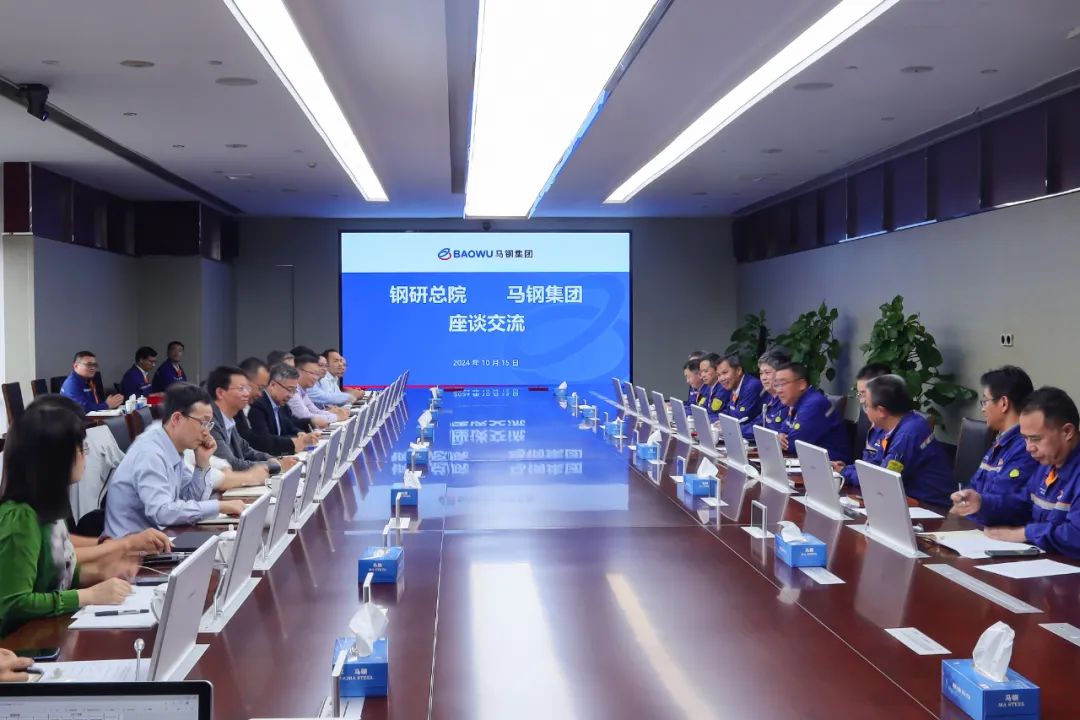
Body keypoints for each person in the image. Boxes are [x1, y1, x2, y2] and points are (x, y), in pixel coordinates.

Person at [0, 402, 136, 636]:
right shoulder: (20, 518)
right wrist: (88, 595)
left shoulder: (48, 510)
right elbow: (13, 603)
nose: (85, 456)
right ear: (56, 459)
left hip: (46, 630)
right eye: (81, 449)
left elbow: (54, 576)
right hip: (19, 642)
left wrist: (100, 573)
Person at [103, 383, 245, 538]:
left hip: (160, 538)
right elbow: (162, 512)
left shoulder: (173, 447)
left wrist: (202, 463)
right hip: (130, 547)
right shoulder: (150, 452)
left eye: (208, 424)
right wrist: (218, 506)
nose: (206, 432)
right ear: (177, 418)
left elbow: (190, 499)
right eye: (203, 423)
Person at [951, 387, 1080, 557]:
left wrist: (1024, 534)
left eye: (1035, 439)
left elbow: (1075, 535)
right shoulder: (1047, 464)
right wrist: (982, 504)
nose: (1028, 448)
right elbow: (1021, 505)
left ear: (1067, 432)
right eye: (1025, 438)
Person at [834, 375, 953, 506]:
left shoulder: (909, 433)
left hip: (931, 507)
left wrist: (844, 472)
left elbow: (882, 480)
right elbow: (874, 465)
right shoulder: (892, 428)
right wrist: (845, 468)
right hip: (905, 500)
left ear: (881, 411)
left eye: (866, 406)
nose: (865, 411)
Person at [951, 367, 1038, 526]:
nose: (983, 408)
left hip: (997, 532)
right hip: (976, 527)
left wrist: (977, 504)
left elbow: (1007, 505)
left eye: (985, 401)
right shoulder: (999, 441)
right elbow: (974, 486)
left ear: (1004, 403)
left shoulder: (1025, 448)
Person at [207, 365, 296, 476]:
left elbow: (246, 450)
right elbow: (231, 464)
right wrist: (275, 465)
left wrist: (274, 459)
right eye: (241, 389)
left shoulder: (229, 418)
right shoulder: (210, 422)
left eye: (247, 388)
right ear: (220, 392)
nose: (247, 393)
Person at [774, 362, 849, 461]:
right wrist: (780, 435)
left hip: (831, 465)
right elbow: (784, 428)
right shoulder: (795, 400)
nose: (779, 390)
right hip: (808, 461)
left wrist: (781, 439)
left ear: (801, 384)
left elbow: (793, 445)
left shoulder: (814, 404)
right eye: (776, 385)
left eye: (783, 384)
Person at [245, 363, 319, 455]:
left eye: (294, 391)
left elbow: (290, 427)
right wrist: (293, 442)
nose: (291, 395)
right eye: (289, 389)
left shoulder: (282, 404)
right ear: (272, 385)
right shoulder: (258, 405)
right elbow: (263, 441)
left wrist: (300, 434)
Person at [289, 355, 349, 428]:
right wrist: (337, 417)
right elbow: (307, 417)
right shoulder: (292, 391)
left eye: (317, 374)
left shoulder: (302, 390)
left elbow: (315, 411)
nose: (316, 377)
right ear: (298, 371)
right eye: (312, 373)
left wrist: (336, 414)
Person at [715, 354, 764, 428]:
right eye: (718, 375)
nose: (721, 379)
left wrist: (724, 423)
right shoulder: (734, 385)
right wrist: (720, 420)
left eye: (725, 373)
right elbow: (729, 410)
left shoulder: (752, 386)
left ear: (738, 370)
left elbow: (741, 417)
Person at [753, 348, 791, 436]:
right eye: (761, 373)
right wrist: (736, 429)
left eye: (767, 372)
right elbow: (757, 423)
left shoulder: (788, 399)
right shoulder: (768, 397)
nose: (763, 378)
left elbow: (772, 430)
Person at [696, 353, 727, 420]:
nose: (702, 375)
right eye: (701, 372)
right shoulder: (708, 387)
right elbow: (702, 408)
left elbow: (714, 412)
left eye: (706, 371)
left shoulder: (723, 388)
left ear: (717, 370)